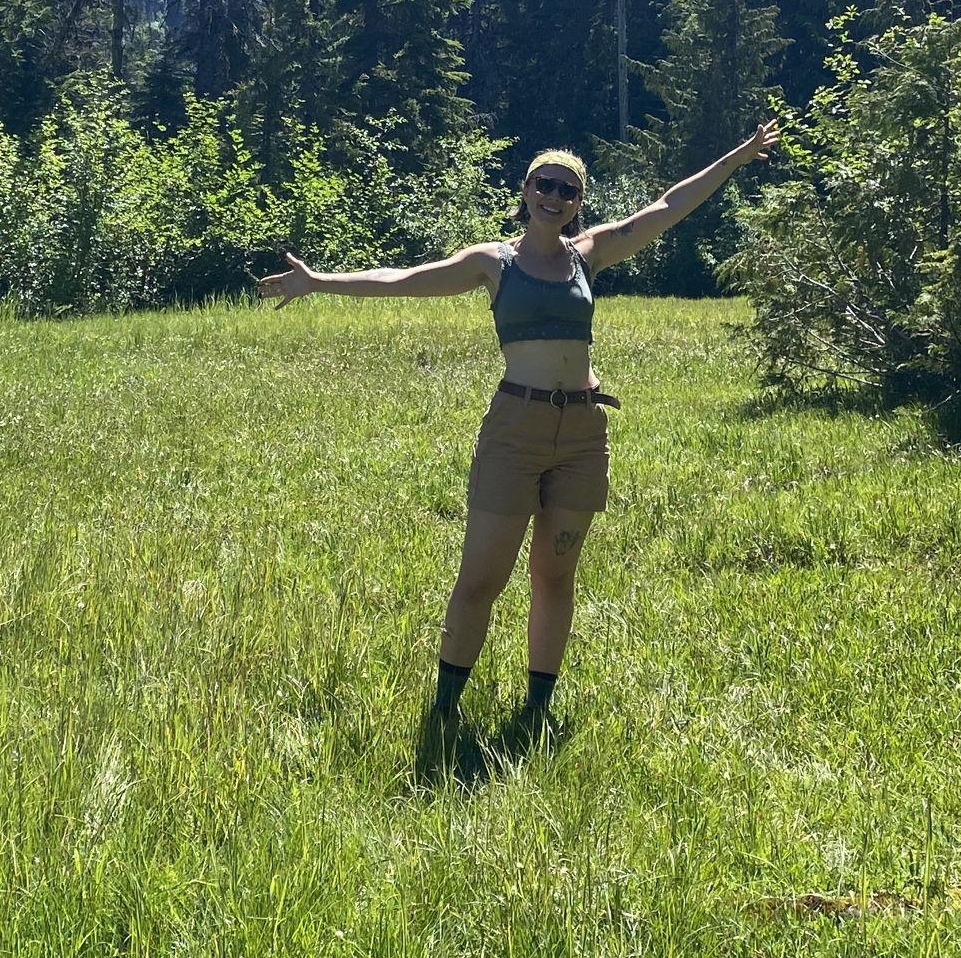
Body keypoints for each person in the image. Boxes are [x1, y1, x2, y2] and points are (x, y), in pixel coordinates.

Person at [257, 121, 780, 745]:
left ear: (578, 202)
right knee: (481, 576)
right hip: (515, 429)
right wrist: (319, 281)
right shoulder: (493, 262)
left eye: (566, 190)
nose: (553, 198)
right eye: (543, 185)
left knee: (555, 576)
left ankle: (537, 708)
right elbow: (406, 278)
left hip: (582, 433)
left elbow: (667, 207)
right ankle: (446, 706)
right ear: (525, 189)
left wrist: (739, 156)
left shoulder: (589, 255)